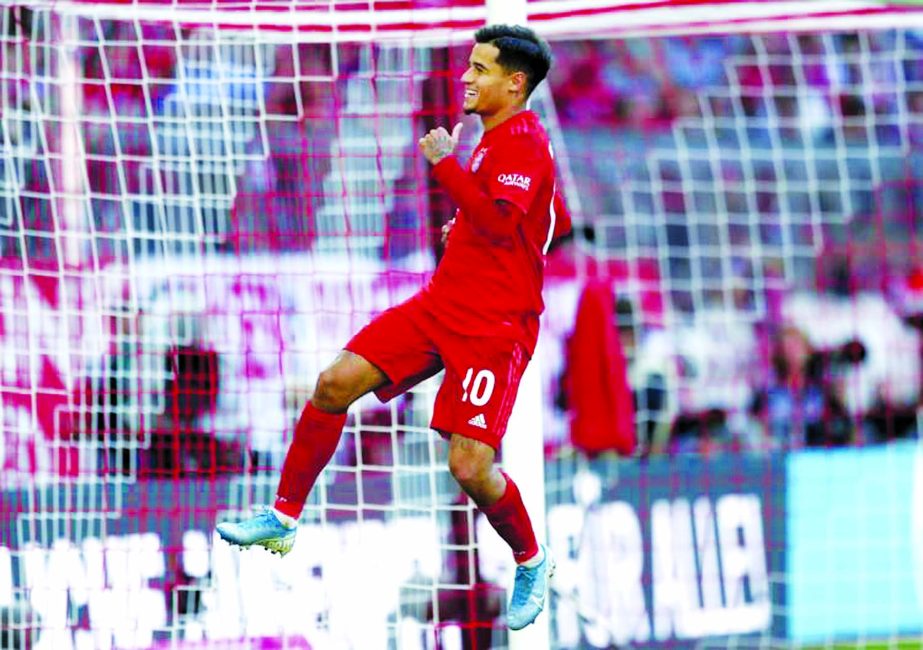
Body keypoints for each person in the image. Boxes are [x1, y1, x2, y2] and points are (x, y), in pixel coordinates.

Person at [216, 24, 569, 631]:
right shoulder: (492, 137)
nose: (466, 76)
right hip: (442, 304)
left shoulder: (525, 145)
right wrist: (463, 226)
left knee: (469, 467)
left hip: (494, 327)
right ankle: (283, 517)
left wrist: (445, 169)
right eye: (468, 65)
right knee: (332, 384)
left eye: (481, 69)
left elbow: (500, 226)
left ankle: (531, 559)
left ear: (515, 83)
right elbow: (517, 223)